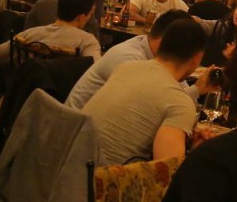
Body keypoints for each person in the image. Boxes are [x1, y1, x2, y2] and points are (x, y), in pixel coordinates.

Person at [82, 18, 207, 165]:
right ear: (197, 59)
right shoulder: (181, 103)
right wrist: (198, 152)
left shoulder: (128, 68)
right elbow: (167, 170)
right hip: (101, 177)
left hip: (70, 162)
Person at [67, 10, 192, 109]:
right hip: (78, 125)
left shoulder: (152, 54)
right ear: (164, 41)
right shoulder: (129, 58)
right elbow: (143, 105)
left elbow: (178, 95)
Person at [0, 0, 101, 64]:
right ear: (81, 16)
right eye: (90, 14)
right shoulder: (87, 42)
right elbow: (97, 73)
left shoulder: (30, 34)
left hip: (25, 92)